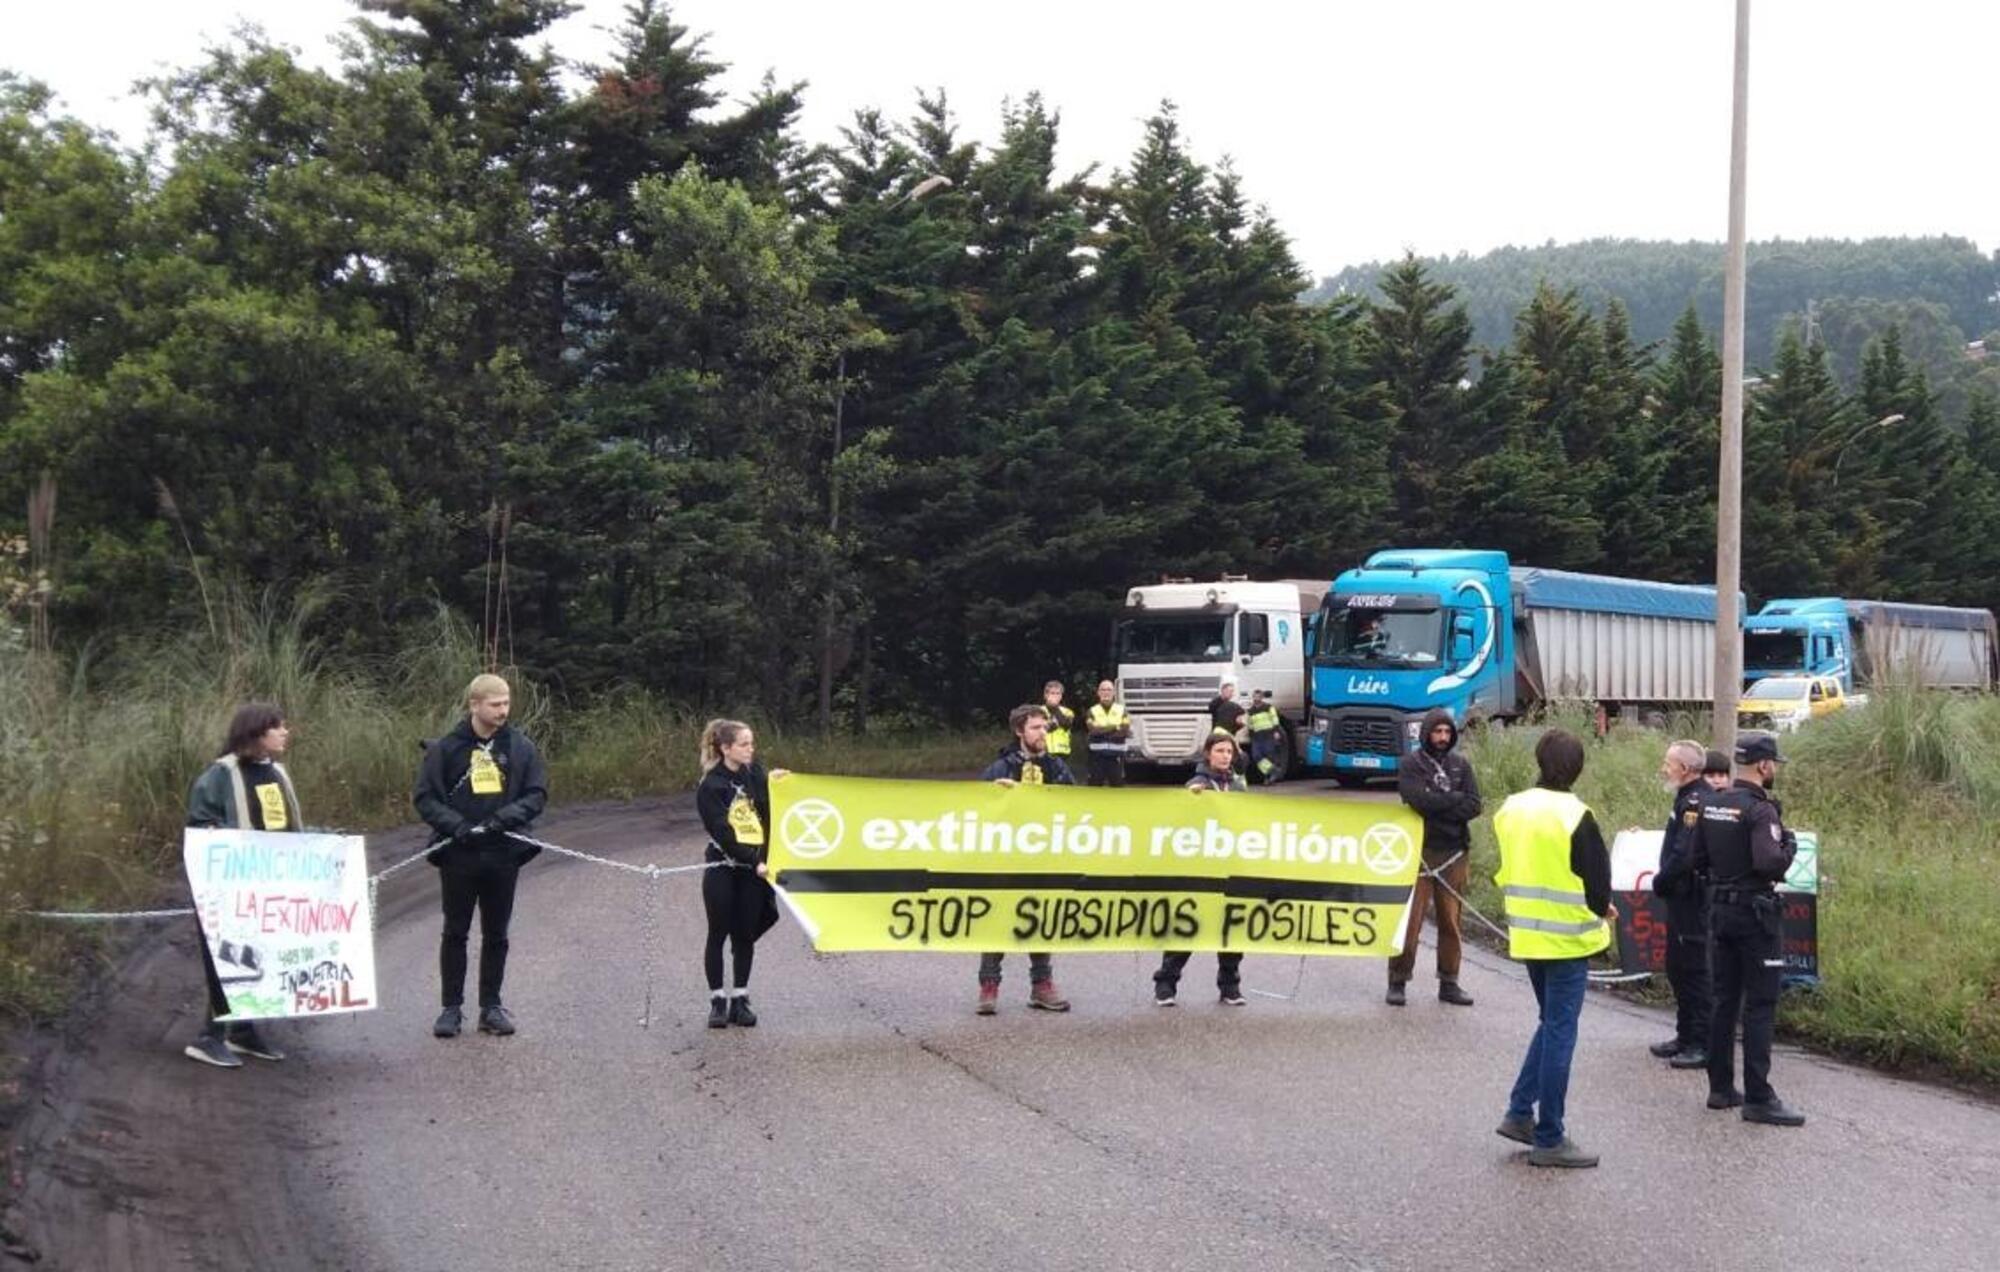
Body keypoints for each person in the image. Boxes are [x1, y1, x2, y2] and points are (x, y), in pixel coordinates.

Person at [1492, 729, 1614, 1168]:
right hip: (1567, 938)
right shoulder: (1576, 815)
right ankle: (1549, 1135)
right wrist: (1604, 908)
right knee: (1561, 1031)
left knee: (1549, 1024)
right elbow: (1598, 884)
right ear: (1578, 767)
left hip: (1527, 933)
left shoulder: (1512, 808)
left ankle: (1520, 1112)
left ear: (1540, 761)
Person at [414, 673, 548, 1040]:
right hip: (459, 854)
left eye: (506, 703)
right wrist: (456, 825)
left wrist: (504, 820)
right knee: (455, 931)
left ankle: (490, 1006)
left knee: (497, 933)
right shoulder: (446, 749)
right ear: (475, 705)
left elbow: (536, 794)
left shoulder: (520, 747)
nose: (503, 710)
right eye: (495, 704)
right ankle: (450, 1009)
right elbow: (425, 798)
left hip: (503, 852)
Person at [1692, 733, 1805, 1127]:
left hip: (1719, 911)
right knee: (1760, 1004)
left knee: (1724, 999)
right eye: (1774, 763)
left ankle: (1720, 1087)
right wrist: (1789, 846)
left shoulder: (1712, 804)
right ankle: (1759, 1096)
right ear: (1763, 765)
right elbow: (1769, 863)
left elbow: (1698, 858)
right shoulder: (1761, 811)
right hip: (1755, 917)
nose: (1774, 769)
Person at [182, 703, 298, 1068]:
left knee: (256, 954)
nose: (285, 732)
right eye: (276, 727)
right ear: (255, 733)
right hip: (229, 887)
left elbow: (287, 828)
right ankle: (209, 1036)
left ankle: (242, 1031)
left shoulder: (276, 773)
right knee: (226, 956)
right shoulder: (219, 776)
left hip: (270, 885)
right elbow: (199, 828)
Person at [975, 704, 1074, 1015]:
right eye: (1035, 728)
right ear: (1019, 731)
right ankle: (989, 985)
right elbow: (976, 808)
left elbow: (1077, 803)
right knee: (998, 919)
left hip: (1044, 856)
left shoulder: (1057, 767)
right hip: (1006, 858)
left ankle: (1042, 986)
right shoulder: (999, 767)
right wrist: (997, 795)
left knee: (1039, 918)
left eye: (1045, 728)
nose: (1042, 733)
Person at [695, 720, 785, 1028]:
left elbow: (768, 804)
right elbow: (722, 833)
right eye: (744, 744)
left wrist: (777, 783)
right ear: (726, 748)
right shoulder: (711, 786)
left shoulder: (754, 773)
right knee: (718, 932)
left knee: (745, 934)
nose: (751, 749)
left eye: (752, 743)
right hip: (724, 867)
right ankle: (717, 1001)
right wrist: (752, 860)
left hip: (752, 870)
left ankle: (740, 999)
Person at [1388, 709, 1481, 1008]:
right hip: (1419, 852)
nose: (1441, 738)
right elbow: (1417, 799)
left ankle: (1450, 981)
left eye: (1446, 732)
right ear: (1426, 733)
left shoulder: (1461, 765)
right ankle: (1398, 979)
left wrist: (1441, 807)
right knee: (1411, 921)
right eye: (1436, 732)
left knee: (1451, 921)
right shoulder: (1411, 765)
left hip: (1454, 852)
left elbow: (1474, 804)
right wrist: (1452, 801)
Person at [1153, 734, 1248, 1007]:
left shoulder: (1238, 786)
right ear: (1208, 754)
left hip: (1232, 866)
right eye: (1219, 750)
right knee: (1188, 926)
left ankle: (1230, 986)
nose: (1225, 756)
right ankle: (1165, 983)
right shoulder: (1196, 785)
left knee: (1232, 929)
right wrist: (1190, 800)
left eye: (1229, 751)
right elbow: (1179, 820)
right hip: (1202, 867)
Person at [1649, 740, 1713, 1068]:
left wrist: (1660, 880)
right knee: (1677, 967)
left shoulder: (1696, 801)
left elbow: (1684, 854)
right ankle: (1684, 1034)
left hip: (1693, 898)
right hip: (1680, 898)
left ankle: (1701, 1043)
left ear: (1684, 769)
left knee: (1695, 970)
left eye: (1669, 763)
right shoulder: (1685, 797)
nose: (1664, 767)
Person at [1083, 679, 1131, 788]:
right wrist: (1115, 727)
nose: (1106, 692)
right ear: (1098, 692)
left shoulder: (1122, 710)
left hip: (1116, 757)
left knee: (1117, 790)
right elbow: (1093, 730)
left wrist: (1102, 730)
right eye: (1103, 689)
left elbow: (1125, 729)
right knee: (1094, 790)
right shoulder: (1092, 711)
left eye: (1109, 690)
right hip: (1096, 757)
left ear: (1114, 693)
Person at [1244, 688, 1285, 783]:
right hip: (1257, 736)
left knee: (1269, 756)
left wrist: (1276, 731)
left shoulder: (1269, 707)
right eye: (1254, 696)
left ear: (1262, 697)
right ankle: (1273, 770)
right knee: (1256, 756)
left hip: (1268, 734)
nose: (1256, 698)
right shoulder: (1250, 711)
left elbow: (1275, 719)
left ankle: (1268, 777)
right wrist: (1251, 735)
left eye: (1258, 696)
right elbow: (1250, 724)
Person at [1041, 680, 1076, 760]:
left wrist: (1054, 707)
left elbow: (1066, 724)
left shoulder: (1068, 712)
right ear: (1045, 695)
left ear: (1061, 696)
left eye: (1058, 694)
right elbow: (1043, 728)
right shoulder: (1038, 711)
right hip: (1043, 751)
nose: (1055, 696)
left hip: (1062, 752)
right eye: (1052, 693)